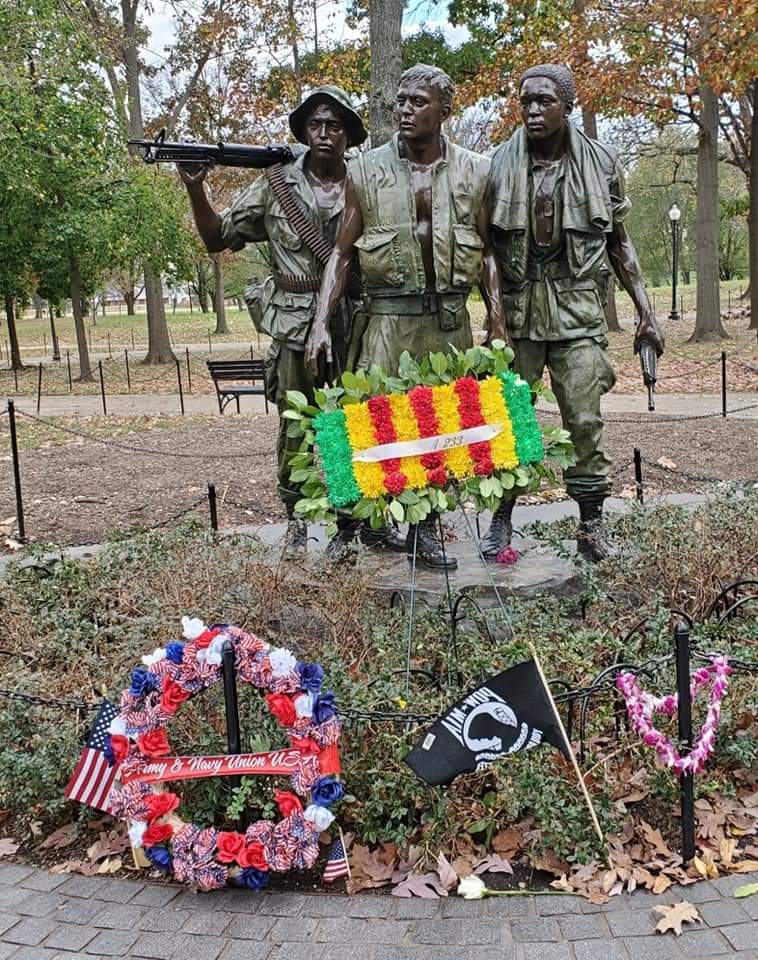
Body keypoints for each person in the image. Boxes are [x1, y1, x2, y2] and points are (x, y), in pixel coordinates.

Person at [178, 86, 403, 555]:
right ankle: (297, 522)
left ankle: (348, 525)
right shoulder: (275, 183)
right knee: (296, 424)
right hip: (293, 322)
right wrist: (196, 187)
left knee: (349, 423)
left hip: (352, 320)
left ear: (348, 135)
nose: (323, 134)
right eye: (315, 125)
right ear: (302, 132)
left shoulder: (365, 182)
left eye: (334, 125)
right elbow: (218, 238)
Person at [306, 64, 506, 570]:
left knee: (441, 429)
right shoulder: (365, 170)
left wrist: (496, 319)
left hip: (447, 321)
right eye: (401, 101)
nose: (405, 110)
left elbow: (485, 251)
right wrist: (320, 324)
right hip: (386, 320)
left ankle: (425, 530)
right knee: (360, 422)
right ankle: (348, 528)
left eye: (418, 101)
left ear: (445, 109)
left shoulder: (477, 170)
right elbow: (342, 254)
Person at [483, 63, 665, 561]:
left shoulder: (602, 164)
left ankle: (590, 525)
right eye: (526, 102)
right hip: (518, 311)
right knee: (509, 420)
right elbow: (485, 250)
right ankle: (500, 520)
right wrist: (495, 317)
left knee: (584, 420)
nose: (533, 110)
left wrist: (646, 312)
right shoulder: (497, 164)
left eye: (544, 101)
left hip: (577, 307)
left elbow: (619, 245)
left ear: (567, 105)